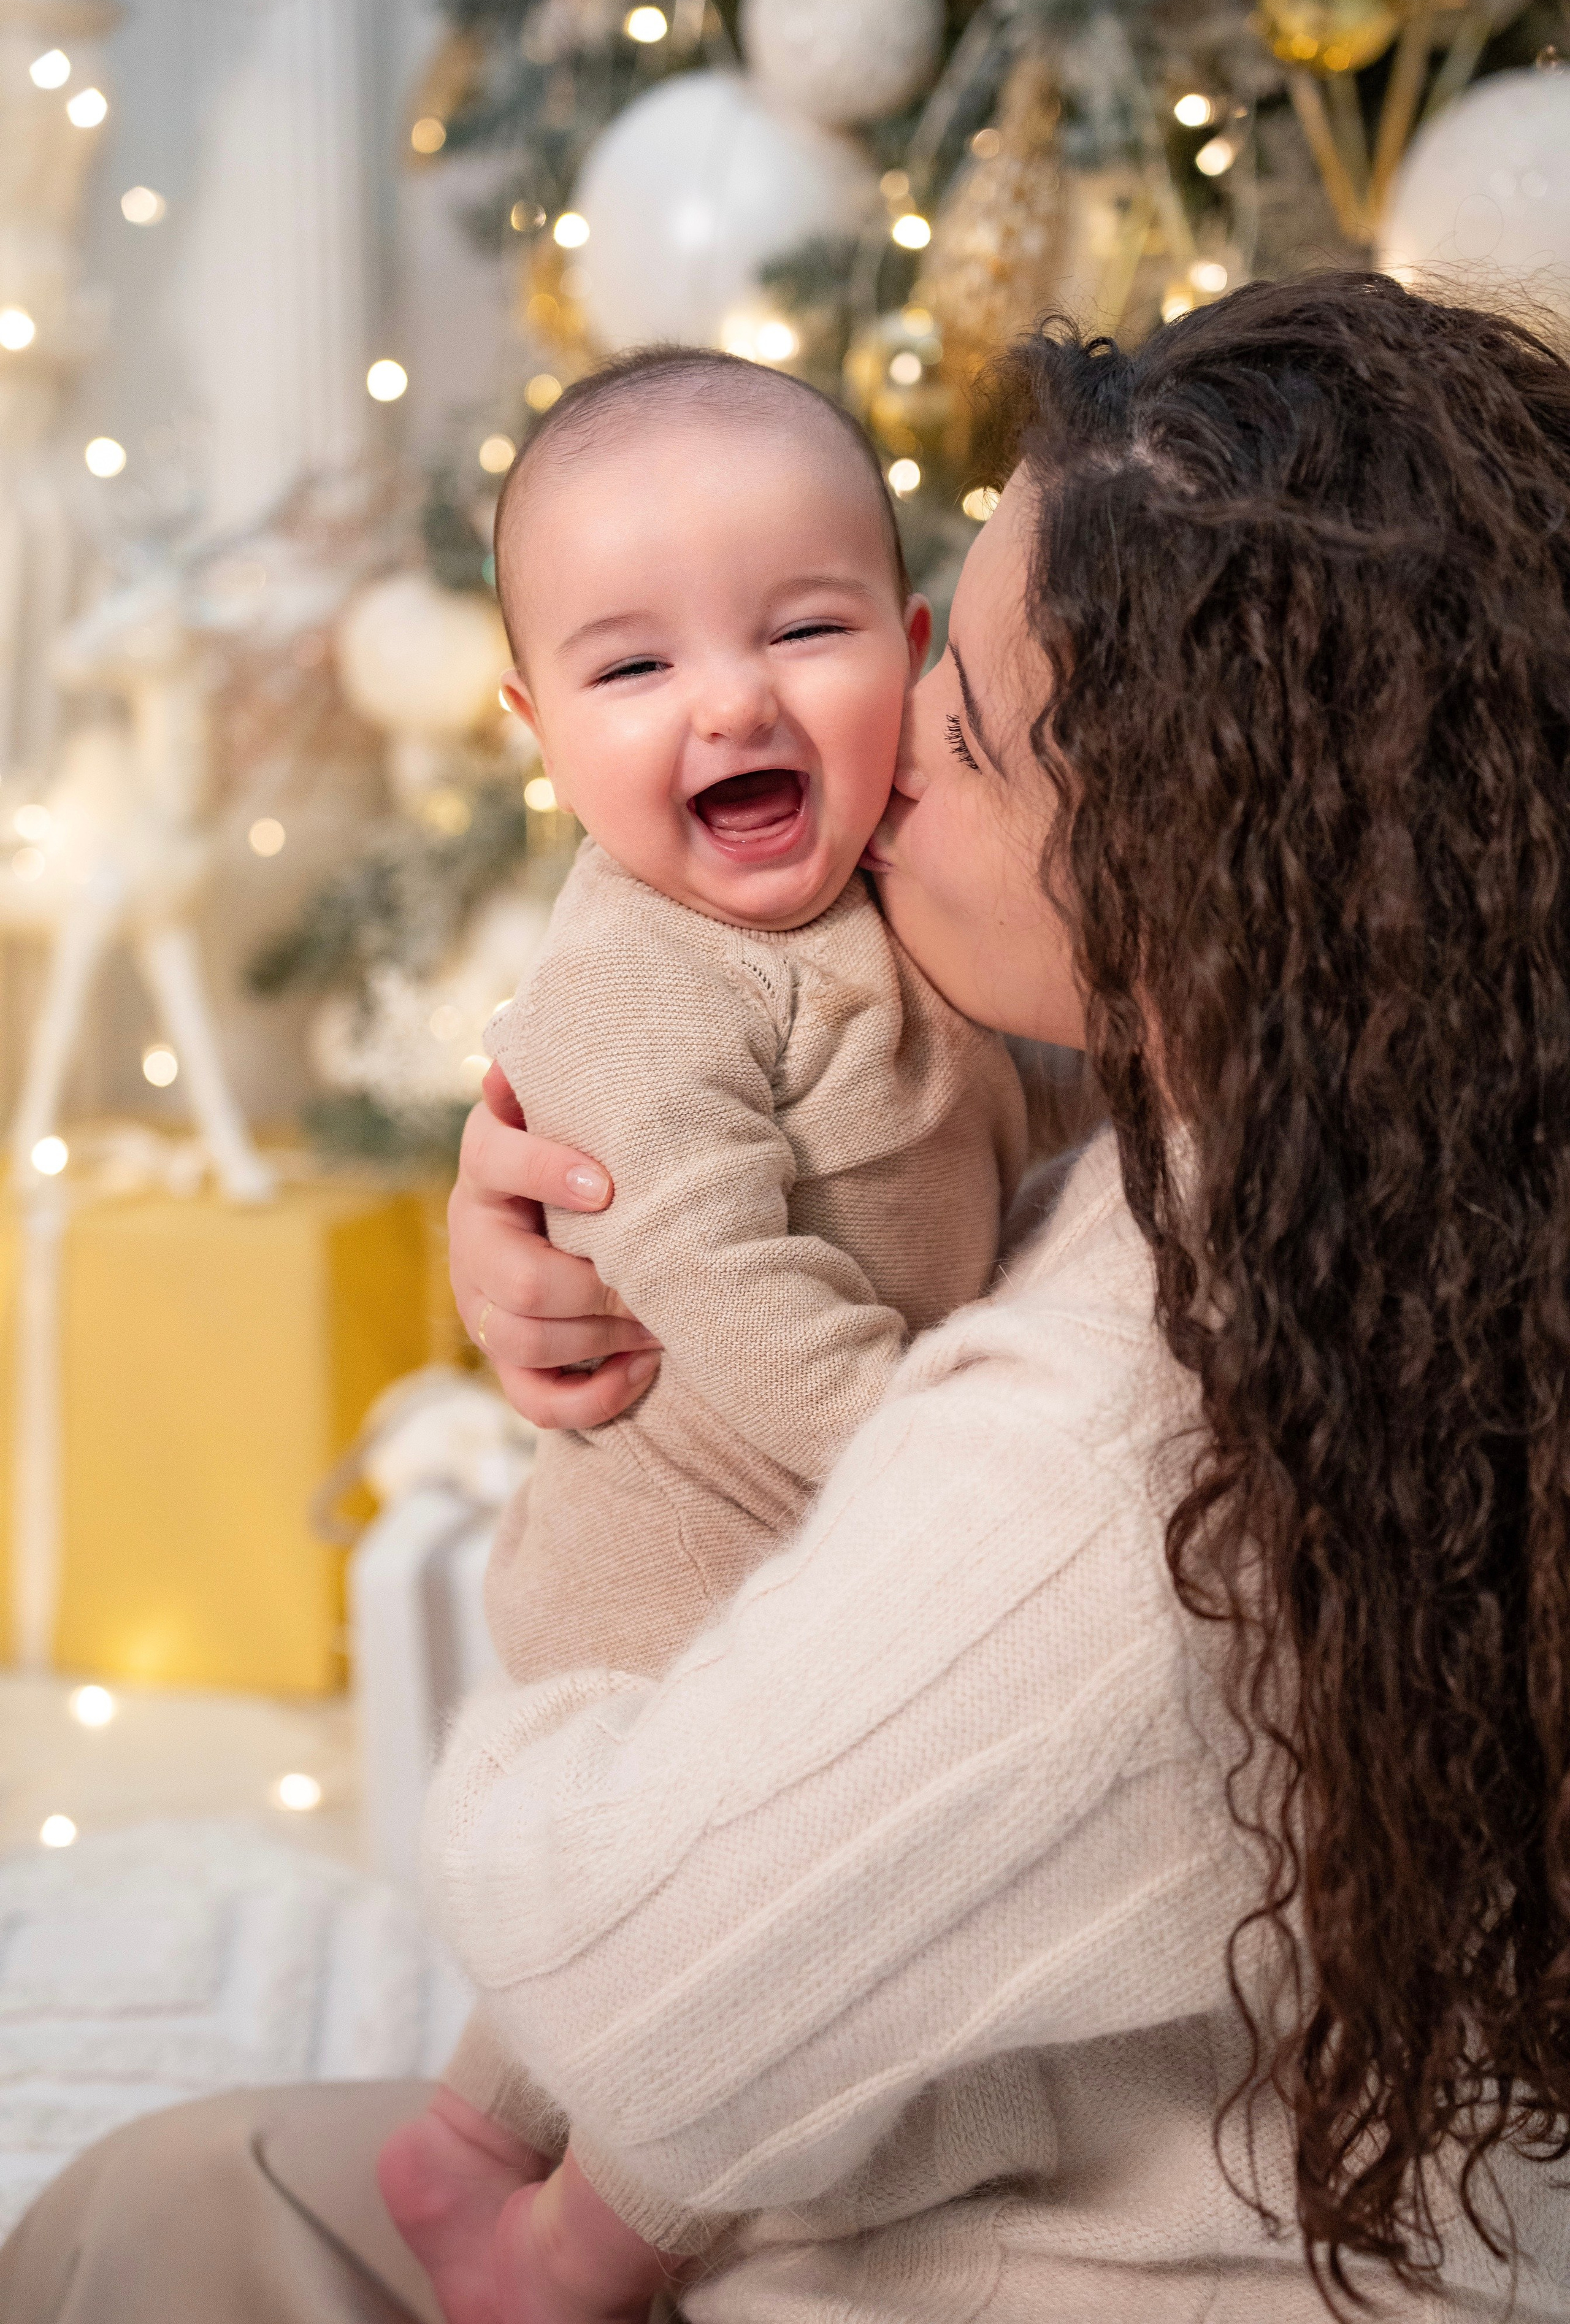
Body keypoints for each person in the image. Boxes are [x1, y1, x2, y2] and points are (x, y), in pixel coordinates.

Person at [6, 269, 1570, 2324]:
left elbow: (621, 1950)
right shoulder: (1407, 1183)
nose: (863, 750)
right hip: (1169, 2087)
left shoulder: (1087, 1468)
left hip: (1094, 2244)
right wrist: (558, 1218)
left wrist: (650, 1669)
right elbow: (814, 1172)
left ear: (1198, 859)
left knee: (162, 2212)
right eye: (636, 659)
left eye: (961, 719)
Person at [380, 344, 1026, 2323]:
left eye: (805, 628)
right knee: (751, 1926)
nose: (733, 699)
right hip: (684, 1571)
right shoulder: (639, 981)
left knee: (647, 1915)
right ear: (538, 728)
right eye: (633, 667)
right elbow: (721, 1287)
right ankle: (577, 2246)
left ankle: (468, 2138)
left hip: (797, 1535)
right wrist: (947, 1463)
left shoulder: (908, 891)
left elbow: (1032, 1123)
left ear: (914, 657)